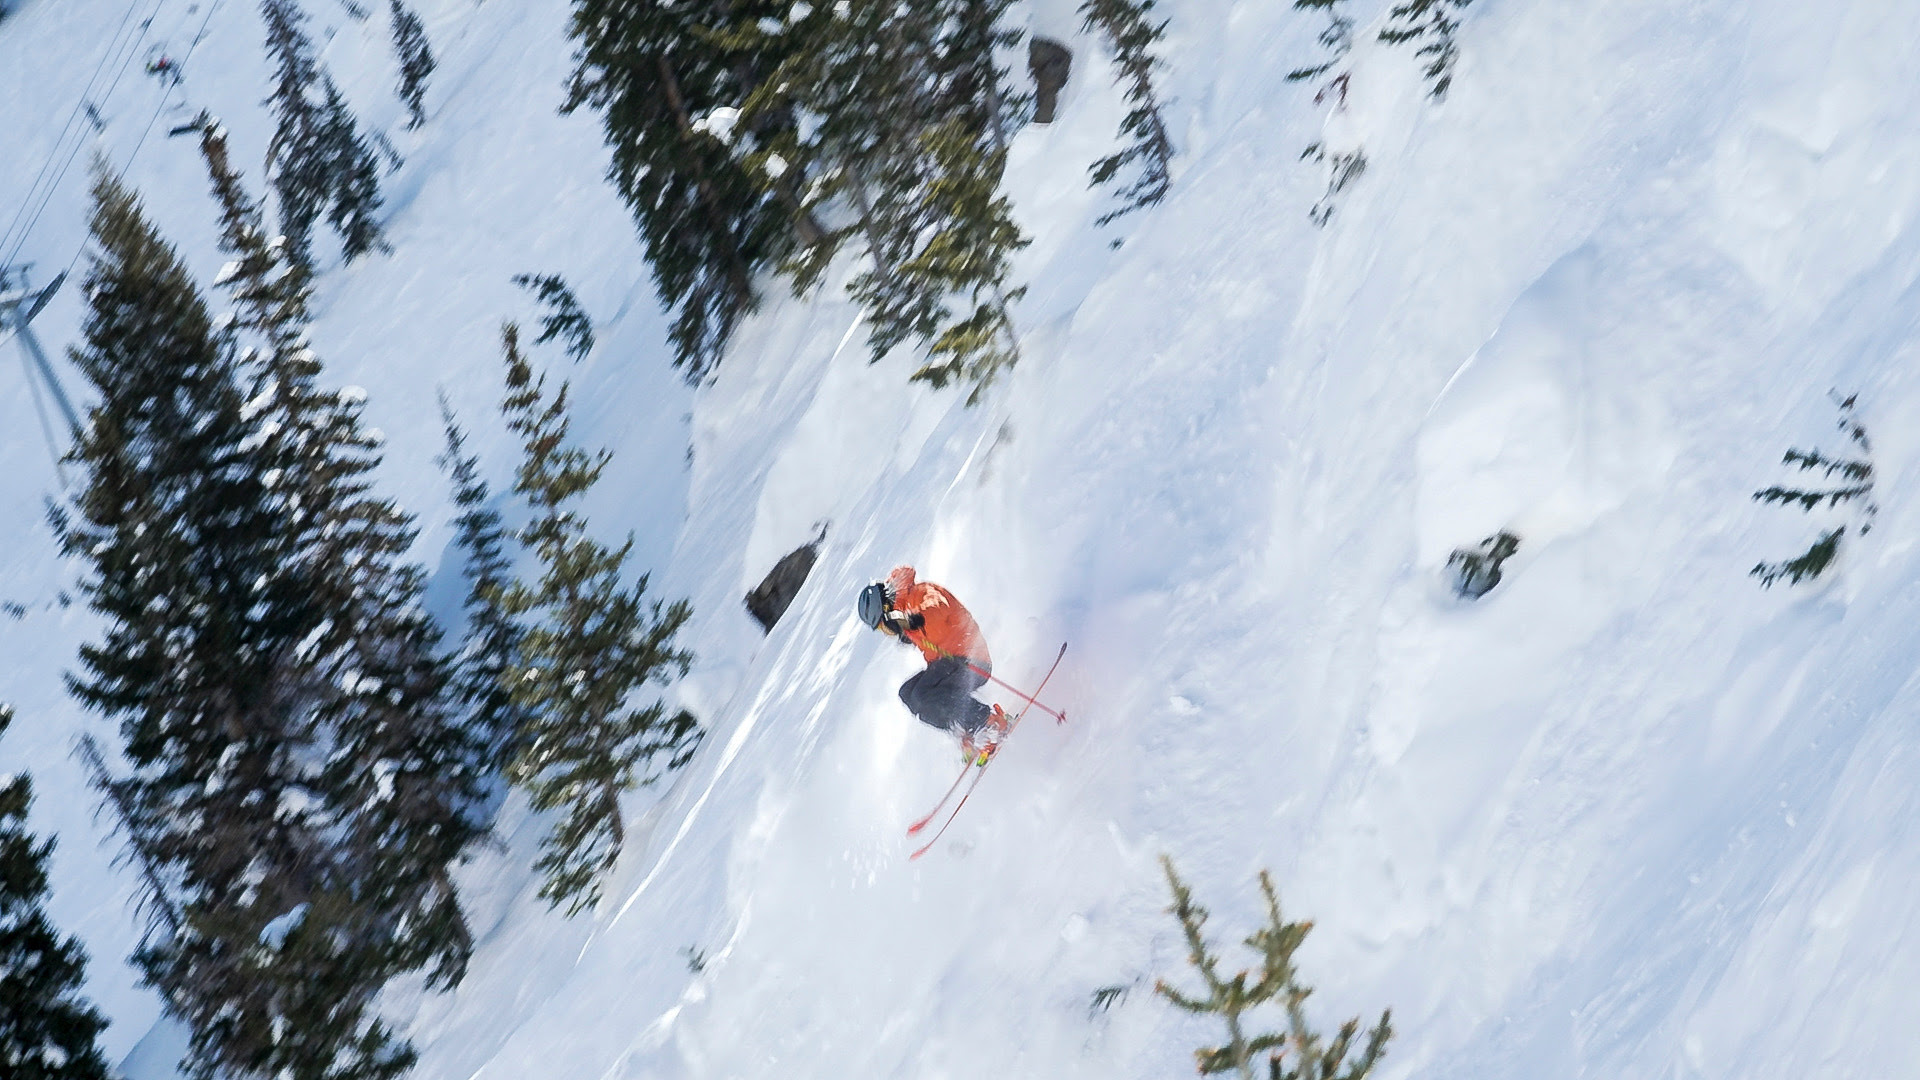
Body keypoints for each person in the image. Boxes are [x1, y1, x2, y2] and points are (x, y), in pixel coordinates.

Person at [859, 566, 1008, 758]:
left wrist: (914, 620)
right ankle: (963, 729)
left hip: (972, 661)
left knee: (923, 693)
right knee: (908, 693)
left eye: (882, 626)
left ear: (887, 611)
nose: (887, 632)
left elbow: (938, 607)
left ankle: (989, 722)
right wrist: (908, 627)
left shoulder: (920, 593)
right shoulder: (904, 617)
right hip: (951, 665)